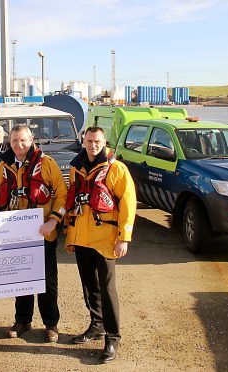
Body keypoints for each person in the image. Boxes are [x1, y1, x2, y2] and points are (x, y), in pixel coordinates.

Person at [64, 127, 136, 364]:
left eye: (97, 141)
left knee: (107, 289)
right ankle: (96, 325)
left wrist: (123, 237)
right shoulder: (77, 168)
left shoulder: (116, 169)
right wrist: (70, 236)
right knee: (89, 286)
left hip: (105, 239)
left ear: (104, 142)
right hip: (82, 237)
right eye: (89, 141)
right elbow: (72, 200)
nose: (93, 145)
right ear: (83, 142)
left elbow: (128, 204)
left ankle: (113, 337)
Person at [0, 124, 67, 343]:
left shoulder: (47, 164)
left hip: (43, 232)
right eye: (14, 141)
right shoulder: (3, 168)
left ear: (31, 139)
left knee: (47, 281)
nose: (19, 145)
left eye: (23, 140)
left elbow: (62, 195)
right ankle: (22, 320)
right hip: (15, 235)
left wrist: (54, 220)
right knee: (21, 279)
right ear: (9, 142)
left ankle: (51, 324)